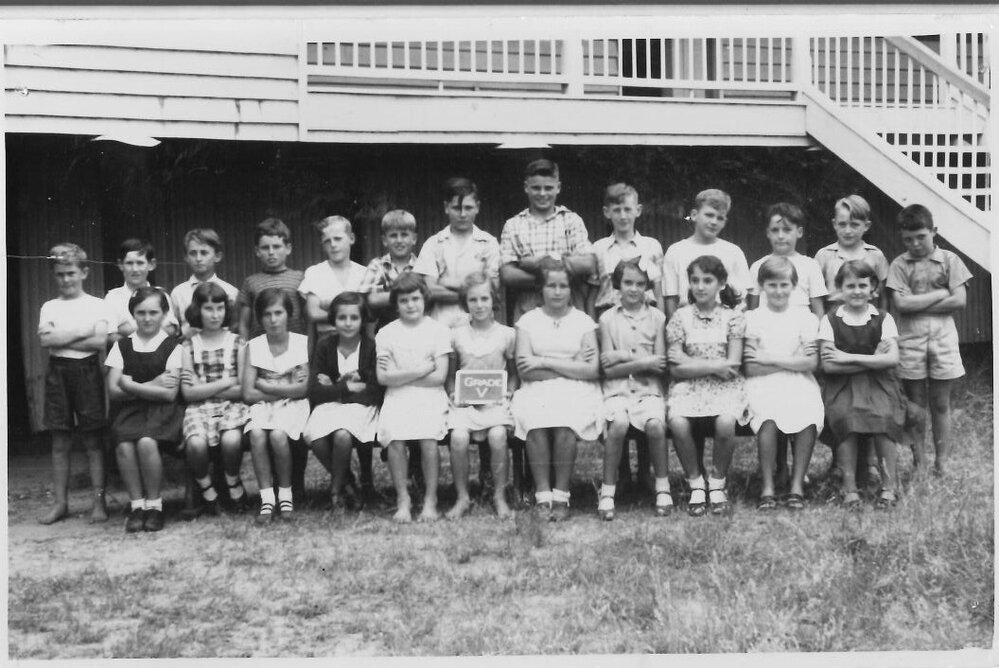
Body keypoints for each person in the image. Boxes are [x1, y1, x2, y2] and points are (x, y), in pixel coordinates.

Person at [510, 257, 602, 522]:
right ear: (542, 289)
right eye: (552, 286)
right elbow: (526, 369)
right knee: (536, 421)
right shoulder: (528, 321)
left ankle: (561, 496)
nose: (558, 292)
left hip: (578, 389)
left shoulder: (583, 322)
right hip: (535, 387)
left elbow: (590, 370)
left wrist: (544, 360)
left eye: (563, 286)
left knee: (564, 423)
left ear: (571, 289)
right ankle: (542, 495)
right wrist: (571, 363)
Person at [885, 204, 972, 477]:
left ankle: (942, 463)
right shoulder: (899, 264)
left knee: (941, 404)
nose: (915, 243)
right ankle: (920, 461)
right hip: (911, 341)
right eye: (908, 239)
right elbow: (901, 305)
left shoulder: (950, 261)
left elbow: (959, 300)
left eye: (921, 236)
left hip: (943, 340)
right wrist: (938, 295)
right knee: (916, 406)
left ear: (934, 231)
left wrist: (916, 302)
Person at [590, 182, 664, 495]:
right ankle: (619, 471)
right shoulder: (598, 249)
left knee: (646, 390)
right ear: (608, 213)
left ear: (638, 210)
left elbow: (657, 293)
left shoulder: (651, 246)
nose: (623, 215)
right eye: (616, 209)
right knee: (618, 393)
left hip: (645, 319)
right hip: (610, 320)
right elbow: (593, 291)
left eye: (628, 208)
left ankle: (647, 470)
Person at [813, 195, 890, 488]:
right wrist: (822, 328)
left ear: (866, 225)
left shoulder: (875, 255)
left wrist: (881, 330)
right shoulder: (824, 256)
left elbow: (882, 298)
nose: (847, 230)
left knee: (867, 393)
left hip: (867, 328)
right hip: (835, 326)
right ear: (834, 224)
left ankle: (869, 463)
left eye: (854, 224)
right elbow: (818, 299)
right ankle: (838, 460)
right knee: (838, 395)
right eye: (842, 224)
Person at [37, 243, 116, 525]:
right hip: (58, 372)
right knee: (60, 439)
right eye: (60, 274)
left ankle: (99, 502)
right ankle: (61, 503)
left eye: (71, 272)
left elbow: (98, 342)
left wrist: (65, 335)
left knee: (93, 439)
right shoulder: (50, 307)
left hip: (87, 371)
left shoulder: (97, 304)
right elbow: (47, 341)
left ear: (84, 271)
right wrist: (84, 330)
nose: (66, 279)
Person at [818, 261, 905, 510]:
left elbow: (891, 360)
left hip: (880, 384)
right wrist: (873, 360)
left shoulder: (883, 318)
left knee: (883, 418)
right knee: (847, 419)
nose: (857, 291)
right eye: (850, 285)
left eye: (862, 285)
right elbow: (830, 367)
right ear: (839, 289)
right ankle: (849, 488)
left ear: (873, 288)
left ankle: (889, 487)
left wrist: (848, 357)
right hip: (841, 385)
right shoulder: (830, 320)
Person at [665, 255, 747, 516]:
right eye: (695, 280)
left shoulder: (732, 318)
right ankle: (696, 483)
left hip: (725, 387)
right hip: (688, 386)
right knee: (677, 421)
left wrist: (693, 361)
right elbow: (675, 368)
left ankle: (717, 483)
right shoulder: (680, 317)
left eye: (707, 280)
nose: (700, 287)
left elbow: (732, 366)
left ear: (721, 283)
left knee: (725, 422)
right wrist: (714, 365)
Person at [236, 217, 309, 499]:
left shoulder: (300, 278)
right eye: (264, 247)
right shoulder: (251, 282)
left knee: (290, 430)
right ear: (256, 251)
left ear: (288, 247)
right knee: (266, 427)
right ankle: (274, 488)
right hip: (263, 355)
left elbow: (304, 316)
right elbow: (242, 321)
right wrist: (245, 349)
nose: (271, 252)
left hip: (293, 354)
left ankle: (295, 484)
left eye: (276, 246)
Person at [743, 256, 824, 511]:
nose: (778, 291)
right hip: (762, 381)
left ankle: (796, 485)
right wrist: (789, 361)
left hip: (799, 380)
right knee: (768, 416)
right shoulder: (753, 318)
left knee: (809, 411)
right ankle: (767, 486)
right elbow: (751, 367)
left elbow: (811, 363)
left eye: (784, 285)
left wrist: (770, 358)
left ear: (793, 286)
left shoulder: (806, 318)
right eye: (772, 285)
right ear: (763, 287)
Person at [105, 287, 185, 532]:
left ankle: (155, 505)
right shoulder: (122, 347)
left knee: (147, 442)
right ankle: (137, 505)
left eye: (153, 312)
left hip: (164, 412)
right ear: (133, 315)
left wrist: (129, 384)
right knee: (124, 443)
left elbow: (169, 393)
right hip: (128, 412)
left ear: (163, 315)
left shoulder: (173, 347)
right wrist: (151, 384)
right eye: (141, 313)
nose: (147, 318)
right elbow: (113, 390)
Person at [597, 259, 670, 521]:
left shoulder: (658, 317)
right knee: (617, 424)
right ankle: (607, 491)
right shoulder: (607, 319)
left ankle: (662, 487)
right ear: (618, 285)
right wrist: (641, 360)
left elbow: (660, 365)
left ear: (647, 287)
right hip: (616, 391)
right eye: (628, 282)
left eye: (640, 284)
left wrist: (623, 359)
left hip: (649, 390)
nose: (634, 289)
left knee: (655, 425)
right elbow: (607, 369)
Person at [375, 273, 451, 523]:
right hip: (397, 397)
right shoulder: (386, 333)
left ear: (424, 300)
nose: (410, 305)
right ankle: (403, 499)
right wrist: (419, 370)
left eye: (415, 298)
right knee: (395, 439)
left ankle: (430, 500)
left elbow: (439, 377)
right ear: (396, 304)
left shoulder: (438, 330)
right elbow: (384, 378)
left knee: (428, 440)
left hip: (430, 396)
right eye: (404, 300)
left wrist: (401, 375)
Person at [445, 272, 519, 519]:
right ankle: (463, 497)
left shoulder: (507, 334)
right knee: (458, 438)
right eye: (473, 300)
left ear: (494, 300)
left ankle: (499, 496)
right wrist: (453, 393)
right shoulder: (456, 334)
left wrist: (509, 392)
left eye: (484, 299)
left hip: (495, 404)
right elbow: (451, 374)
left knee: (498, 436)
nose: (479, 305)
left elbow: (513, 374)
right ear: (465, 302)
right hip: (466, 405)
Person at [303, 292, 382, 513]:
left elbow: (374, 392)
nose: (348, 323)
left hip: (361, 408)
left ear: (362, 319)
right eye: (342, 318)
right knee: (315, 436)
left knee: (342, 435)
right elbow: (315, 390)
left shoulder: (370, 347)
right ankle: (347, 480)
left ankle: (337, 491)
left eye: (354, 318)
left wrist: (334, 388)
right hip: (330, 406)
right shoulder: (325, 346)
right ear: (333, 320)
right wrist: (347, 387)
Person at [179, 282, 250, 515]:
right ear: (198, 310)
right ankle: (208, 491)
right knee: (196, 444)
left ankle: (232, 483)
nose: (215, 314)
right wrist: (227, 382)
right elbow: (189, 393)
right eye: (209, 309)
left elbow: (242, 390)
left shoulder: (238, 342)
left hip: (232, 406)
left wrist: (206, 387)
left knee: (231, 440)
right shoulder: (188, 345)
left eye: (220, 308)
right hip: (199, 408)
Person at [242, 288, 310, 524]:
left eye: (278, 313)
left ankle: (286, 494)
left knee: (279, 436)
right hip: (262, 406)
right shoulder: (254, 346)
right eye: (267, 314)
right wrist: (284, 387)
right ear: (260, 318)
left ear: (288, 314)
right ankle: (266, 497)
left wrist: (268, 387)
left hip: (294, 406)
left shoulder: (301, 343)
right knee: (257, 435)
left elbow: (302, 390)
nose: (273, 319)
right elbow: (249, 392)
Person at [500, 159, 596, 322]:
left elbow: (587, 263)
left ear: (558, 187)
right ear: (526, 187)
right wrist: (557, 276)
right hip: (528, 309)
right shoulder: (513, 225)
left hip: (570, 308)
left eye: (548, 188)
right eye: (536, 188)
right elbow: (508, 274)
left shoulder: (571, 221)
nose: (542, 193)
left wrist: (539, 262)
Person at [415, 177, 502, 329]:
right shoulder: (433, 244)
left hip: (478, 325)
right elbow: (431, 291)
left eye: (468, 208)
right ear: (446, 207)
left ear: (477, 207)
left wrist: (446, 282)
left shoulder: (489, 243)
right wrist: (474, 292)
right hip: (440, 324)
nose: (462, 214)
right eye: (456, 208)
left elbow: (492, 288)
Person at [662, 189, 751, 321]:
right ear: (694, 215)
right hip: (688, 326)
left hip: (725, 327)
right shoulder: (676, 251)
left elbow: (743, 299)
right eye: (709, 215)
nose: (714, 221)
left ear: (725, 221)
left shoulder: (734, 252)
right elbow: (671, 299)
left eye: (720, 218)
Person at [747, 202, 828, 319]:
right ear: (768, 233)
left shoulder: (810, 265)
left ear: (799, 232)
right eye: (775, 230)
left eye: (787, 230)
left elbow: (818, 312)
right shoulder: (758, 266)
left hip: (801, 331)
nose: (780, 236)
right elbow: (753, 310)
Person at [299, 216, 367, 338]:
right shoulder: (315, 272)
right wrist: (352, 314)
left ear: (351, 238)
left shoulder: (365, 273)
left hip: (359, 343)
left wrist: (329, 311)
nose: (333, 245)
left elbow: (370, 314)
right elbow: (313, 313)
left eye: (338, 238)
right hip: (326, 342)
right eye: (327, 241)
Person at [170, 228, 239, 340]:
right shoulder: (178, 293)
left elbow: (235, 329)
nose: (198, 258)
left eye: (204, 253)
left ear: (217, 256)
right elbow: (175, 332)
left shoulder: (230, 292)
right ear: (186, 257)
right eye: (193, 253)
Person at [358, 209, 420, 333]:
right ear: (384, 240)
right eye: (393, 235)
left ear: (414, 238)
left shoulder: (422, 265)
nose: (399, 240)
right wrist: (408, 295)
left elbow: (428, 296)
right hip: (386, 328)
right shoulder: (377, 265)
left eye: (404, 235)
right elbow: (372, 299)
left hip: (419, 326)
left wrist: (388, 296)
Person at [105, 238, 178, 340]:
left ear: (151, 264)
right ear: (121, 265)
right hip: (127, 355)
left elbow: (170, 329)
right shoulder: (113, 298)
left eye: (140, 263)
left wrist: (128, 329)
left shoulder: (161, 294)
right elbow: (111, 336)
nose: (135, 269)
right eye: (129, 263)